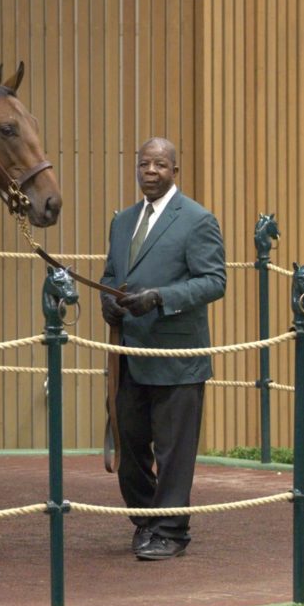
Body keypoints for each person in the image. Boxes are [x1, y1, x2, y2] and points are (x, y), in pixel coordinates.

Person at [100, 137, 225, 560]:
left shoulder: (197, 219)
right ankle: (146, 522)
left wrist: (159, 297)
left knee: (173, 452)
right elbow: (112, 274)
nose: (150, 171)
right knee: (130, 446)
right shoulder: (122, 222)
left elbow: (213, 282)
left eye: (159, 164)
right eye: (143, 164)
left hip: (176, 360)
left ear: (175, 169)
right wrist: (107, 303)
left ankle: (171, 531)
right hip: (128, 358)